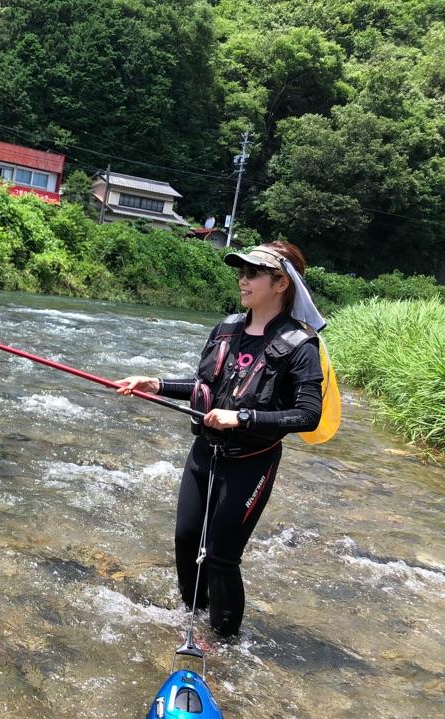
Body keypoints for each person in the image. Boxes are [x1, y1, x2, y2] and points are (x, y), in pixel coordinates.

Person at [116, 241, 325, 637]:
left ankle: (225, 643)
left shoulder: (301, 345)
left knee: (221, 557)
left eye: (252, 273)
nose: (242, 280)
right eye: (241, 272)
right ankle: (190, 622)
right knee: (185, 540)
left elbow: (308, 415)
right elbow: (204, 385)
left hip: (252, 462)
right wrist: (155, 383)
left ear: (281, 283)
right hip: (204, 453)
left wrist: (243, 416)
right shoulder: (226, 328)